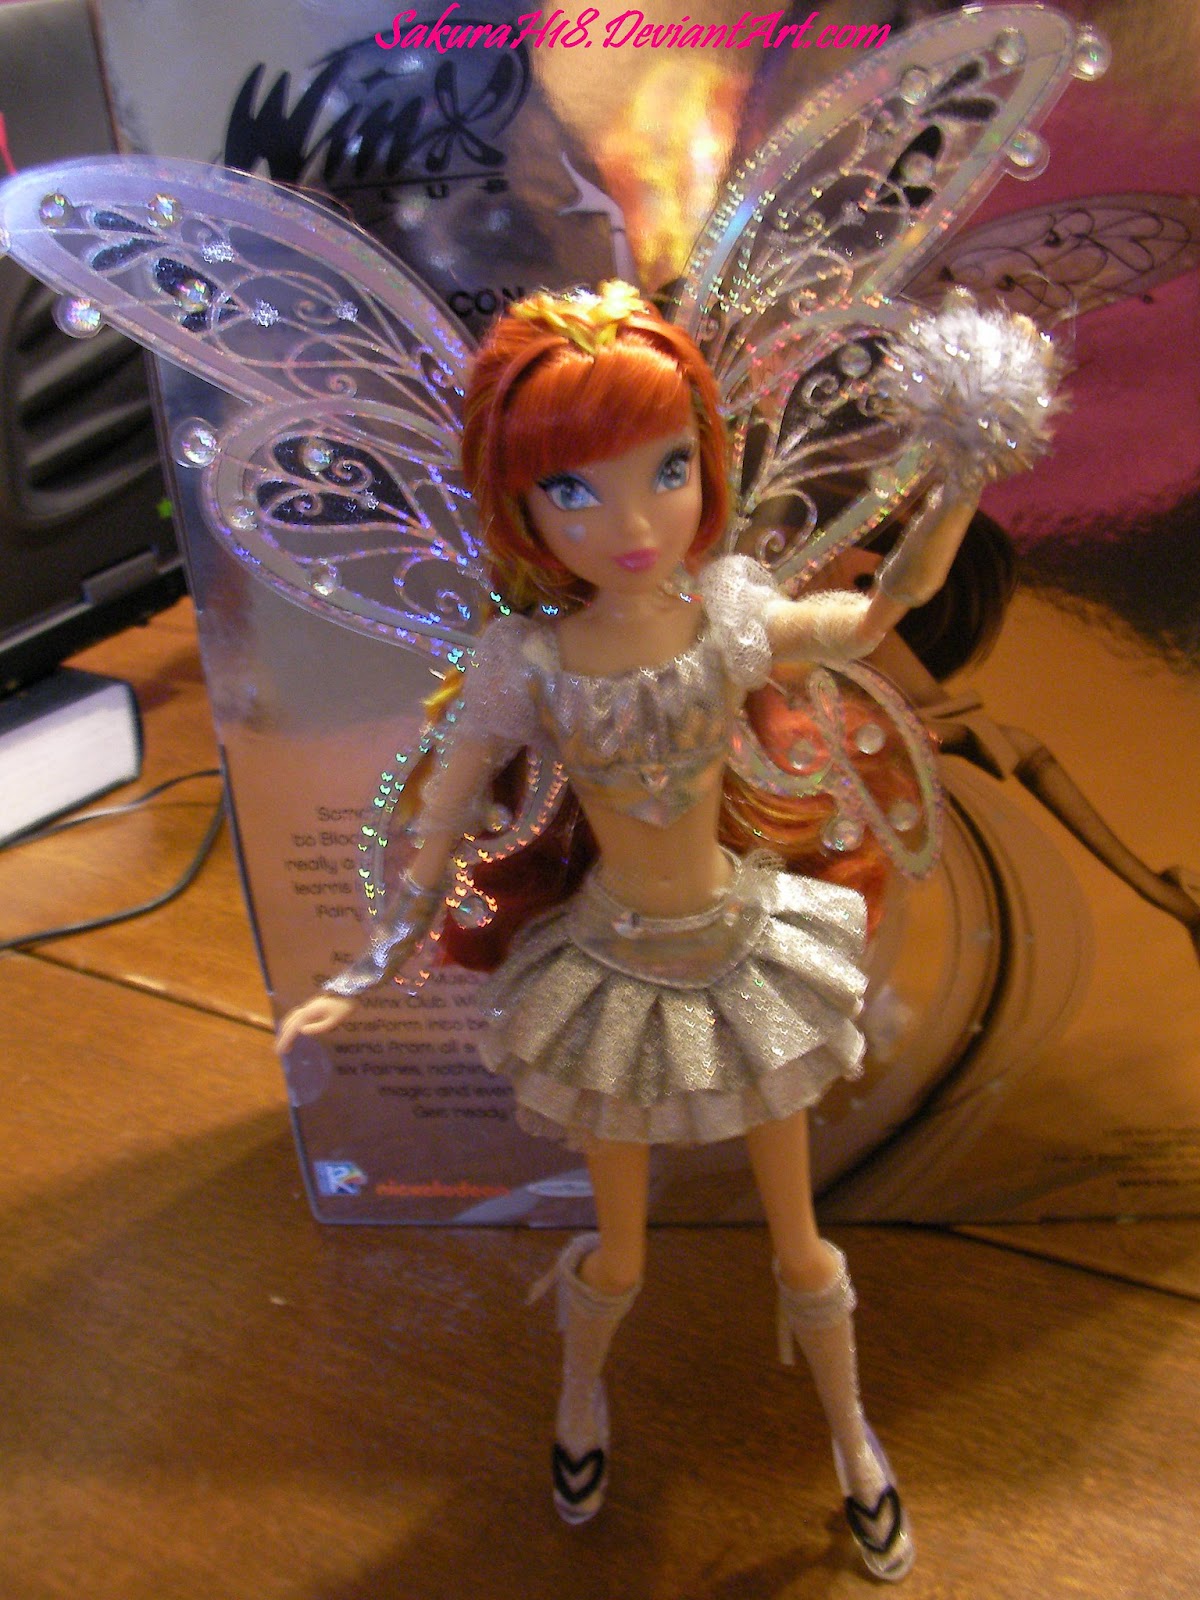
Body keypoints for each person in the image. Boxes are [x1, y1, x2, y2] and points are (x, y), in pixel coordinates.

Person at [277, 281, 979, 1581]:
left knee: (801, 1241)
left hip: (742, 953)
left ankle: (854, 1437)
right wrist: (373, 960)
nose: (636, 524)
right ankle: (578, 1399)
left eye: (666, 471)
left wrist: (960, 475)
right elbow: (440, 813)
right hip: (608, 971)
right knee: (620, 1251)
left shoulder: (730, 618)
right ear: (522, 508)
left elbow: (877, 616)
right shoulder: (530, 663)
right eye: (575, 492)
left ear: (708, 464)